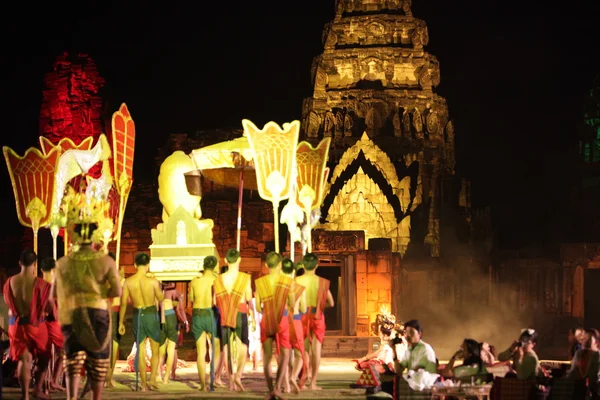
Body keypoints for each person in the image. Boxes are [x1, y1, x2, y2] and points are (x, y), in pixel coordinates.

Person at [4, 249, 52, 400]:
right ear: (35, 263)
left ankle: (25, 396)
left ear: (20, 263)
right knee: (43, 359)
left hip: (17, 325)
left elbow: (8, 303)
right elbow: (49, 307)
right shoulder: (42, 284)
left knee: (24, 360)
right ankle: (37, 389)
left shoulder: (10, 281)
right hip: (37, 325)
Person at [118, 252, 164, 391]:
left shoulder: (128, 281)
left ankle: (144, 384)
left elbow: (124, 304)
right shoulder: (153, 281)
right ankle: (152, 380)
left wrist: (121, 322)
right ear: (148, 264)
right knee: (155, 349)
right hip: (151, 314)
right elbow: (161, 298)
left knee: (141, 351)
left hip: (138, 314)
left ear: (135, 265)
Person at [214, 249, 255, 391]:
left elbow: (215, 301)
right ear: (239, 260)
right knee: (242, 344)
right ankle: (238, 376)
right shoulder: (245, 278)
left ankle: (231, 379)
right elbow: (249, 298)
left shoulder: (218, 279)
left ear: (225, 261)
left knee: (226, 347)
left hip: (225, 313)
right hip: (240, 311)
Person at [255, 252, 295, 399]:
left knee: (266, 357)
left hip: (267, 318)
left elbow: (258, 308)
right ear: (280, 265)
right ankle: (278, 387)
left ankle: (270, 389)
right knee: (284, 355)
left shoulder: (260, 282)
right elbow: (291, 303)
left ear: (266, 265)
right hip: (282, 319)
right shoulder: (287, 281)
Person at [295, 252, 334, 390]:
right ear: (316, 265)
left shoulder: (296, 281)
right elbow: (331, 303)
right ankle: (313, 383)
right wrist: (320, 307)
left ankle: (303, 381)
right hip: (317, 315)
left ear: (303, 265)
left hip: (302, 316)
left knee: (304, 350)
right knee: (316, 350)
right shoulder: (322, 282)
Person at [189, 255, 218, 391]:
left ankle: (202, 384)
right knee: (215, 350)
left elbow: (191, 298)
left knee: (201, 352)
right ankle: (212, 380)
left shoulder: (194, 281)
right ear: (215, 266)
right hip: (211, 313)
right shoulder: (217, 280)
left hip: (198, 313)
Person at [40, 257, 65, 392]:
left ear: (41, 270)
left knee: (44, 354)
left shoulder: (37, 284)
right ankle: (53, 381)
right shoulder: (55, 286)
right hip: (52, 322)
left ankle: (45, 382)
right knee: (62, 352)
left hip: (39, 323)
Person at [281, 258, 306, 394]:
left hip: (283, 320)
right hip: (295, 320)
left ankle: (286, 385)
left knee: (284, 355)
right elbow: (303, 308)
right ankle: (293, 376)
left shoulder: (278, 287)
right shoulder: (299, 288)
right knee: (299, 355)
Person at [158, 281, 189, 385]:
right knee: (171, 349)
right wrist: (186, 322)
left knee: (161, 350)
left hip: (161, 318)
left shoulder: (158, 290)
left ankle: (159, 374)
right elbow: (180, 310)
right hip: (170, 318)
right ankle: (167, 377)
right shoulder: (174, 292)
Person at [105, 251, 124, 388]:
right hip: (111, 311)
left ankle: (108, 377)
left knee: (111, 346)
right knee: (111, 346)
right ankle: (108, 377)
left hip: (110, 311)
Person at [567, 328, 600, 397]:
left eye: (589, 338)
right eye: (585, 338)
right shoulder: (578, 353)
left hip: (594, 391)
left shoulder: (597, 355)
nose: (586, 340)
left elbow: (595, 376)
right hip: (578, 390)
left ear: (596, 342)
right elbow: (572, 373)